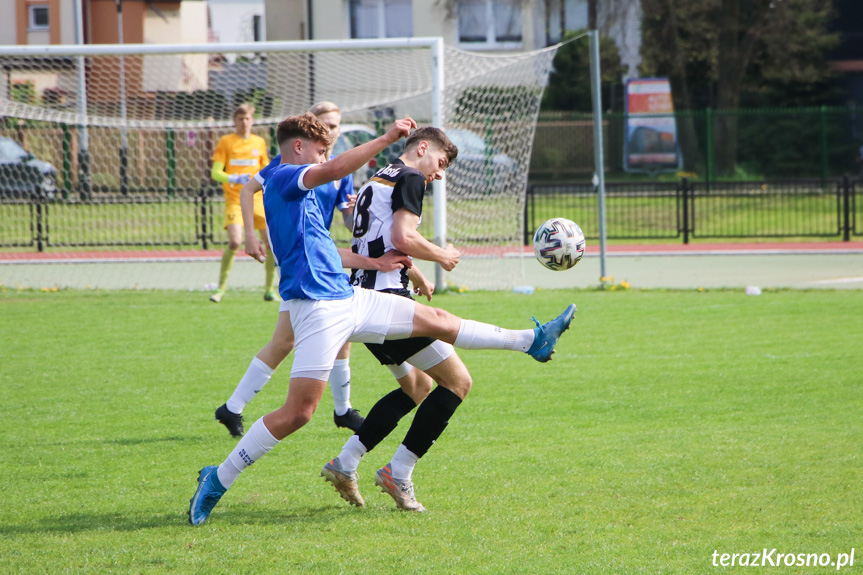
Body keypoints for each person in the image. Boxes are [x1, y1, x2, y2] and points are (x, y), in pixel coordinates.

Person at [187, 113, 576, 526]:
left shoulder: (303, 199)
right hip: (318, 310)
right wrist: (388, 137)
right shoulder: (286, 177)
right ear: (298, 147)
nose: (325, 158)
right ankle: (219, 477)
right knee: (298, 413)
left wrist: (374, 261)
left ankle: (532, 340)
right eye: (319, 151)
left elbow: (329, 252)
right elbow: (337, 169)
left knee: (438, 319)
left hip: (350, 296)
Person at [320, 126, 472, 512]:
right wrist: (442, 256)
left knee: (417, 388)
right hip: (390, 306)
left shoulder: (378, 177)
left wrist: (414, 273)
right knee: (458, 382)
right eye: (439, 162)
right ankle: (399, 472)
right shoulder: (410, 178)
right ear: (423, 148)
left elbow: (378, 236)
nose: (438, 173)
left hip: (362, 300)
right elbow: (403, 236)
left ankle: (346, 463)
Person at [212, 102, 365, 438]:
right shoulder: (290, 166)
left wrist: (355, 211)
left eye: (336, 125)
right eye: (325, 124)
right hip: (302, 264)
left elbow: (349, 223)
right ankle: (340, 411)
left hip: (321, 261)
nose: (332, 130)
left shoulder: (339, 170)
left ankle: (235, 408)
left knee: (293, 341)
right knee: (308, 336)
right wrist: (251, 235)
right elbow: (251, 187)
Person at [209, 103, 276, 303]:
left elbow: (267, 170)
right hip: (235, 201)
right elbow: (215, 173)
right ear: (234, 121)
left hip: (257, 200)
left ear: (252, 120)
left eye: (247, 118)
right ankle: (221, 288)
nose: (244, 122)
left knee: (271, 244)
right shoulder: (226, 142)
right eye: (240, 119)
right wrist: (234, 178)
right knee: (235, 241)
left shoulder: (259, 142)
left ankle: (270, 289)